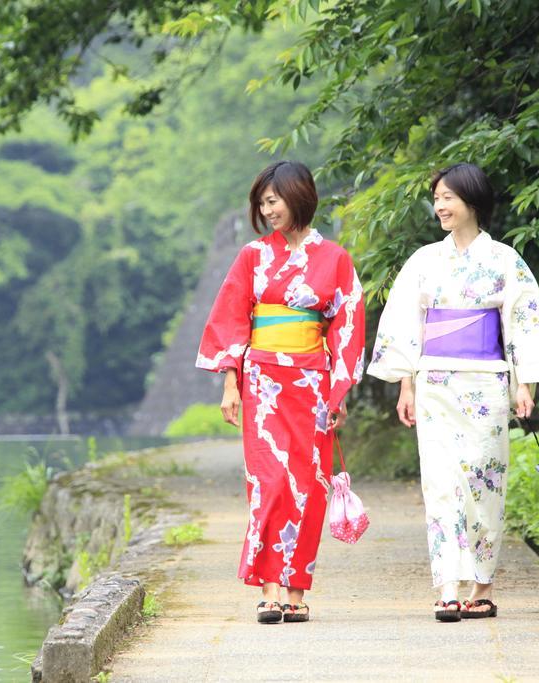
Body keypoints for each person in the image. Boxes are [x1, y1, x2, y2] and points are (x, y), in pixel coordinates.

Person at [367, 162, 539, 621]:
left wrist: (524, 383)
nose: (439, 205)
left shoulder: (503, 260)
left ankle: (482, 585)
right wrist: (405, 383)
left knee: (483, 482)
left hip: (486, 385)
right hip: (435, 382)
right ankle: (448, 587)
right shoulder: (424, 260)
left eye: (447, 198)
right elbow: (405, 324)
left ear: (471, 202)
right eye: (436, 198)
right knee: (441, 485)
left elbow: (523, 322)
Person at [196, 161, 365, 624]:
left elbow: (346, 327)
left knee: (309, 485)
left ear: (299, 196)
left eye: (273, 200)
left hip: (312, 383)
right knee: (269, 482)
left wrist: (339, 391)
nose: (267, 210)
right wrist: (232, 381)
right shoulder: (253, 256)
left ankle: (296, 590)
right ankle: (269, 588)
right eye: (262, 203)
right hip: (263, 382)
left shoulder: (335, 258)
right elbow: (232, 317)